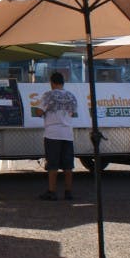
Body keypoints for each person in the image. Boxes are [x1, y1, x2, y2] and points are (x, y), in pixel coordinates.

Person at [39, 72, 77, 201]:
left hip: (52, 133)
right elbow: (73, 113)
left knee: (53, 164)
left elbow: (40, 111)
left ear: (52, 82)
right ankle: (68, 192)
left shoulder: (48, 95)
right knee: (68, 165)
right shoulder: (71, 96)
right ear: (63, 82)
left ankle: (52, 191)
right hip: (67, 134)